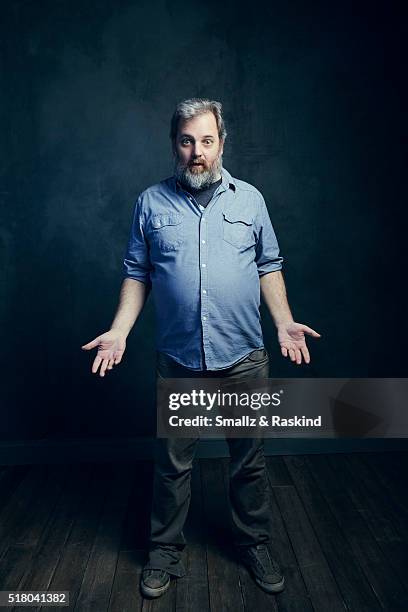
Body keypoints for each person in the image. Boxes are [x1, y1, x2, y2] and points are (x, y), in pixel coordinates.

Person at [82, 98, 321, 599]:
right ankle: (164, 552)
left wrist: (282, 323)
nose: (197, 152)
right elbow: (137, 273)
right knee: (172, 465)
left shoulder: (250, 200)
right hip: (180, 360)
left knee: (249, 462)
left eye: (207, 141)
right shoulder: (150, 203)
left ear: (221, 143)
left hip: (244, 357)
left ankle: (254, 542)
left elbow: (268, 264)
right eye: (187, 141)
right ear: (175, 144)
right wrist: (121, 330)